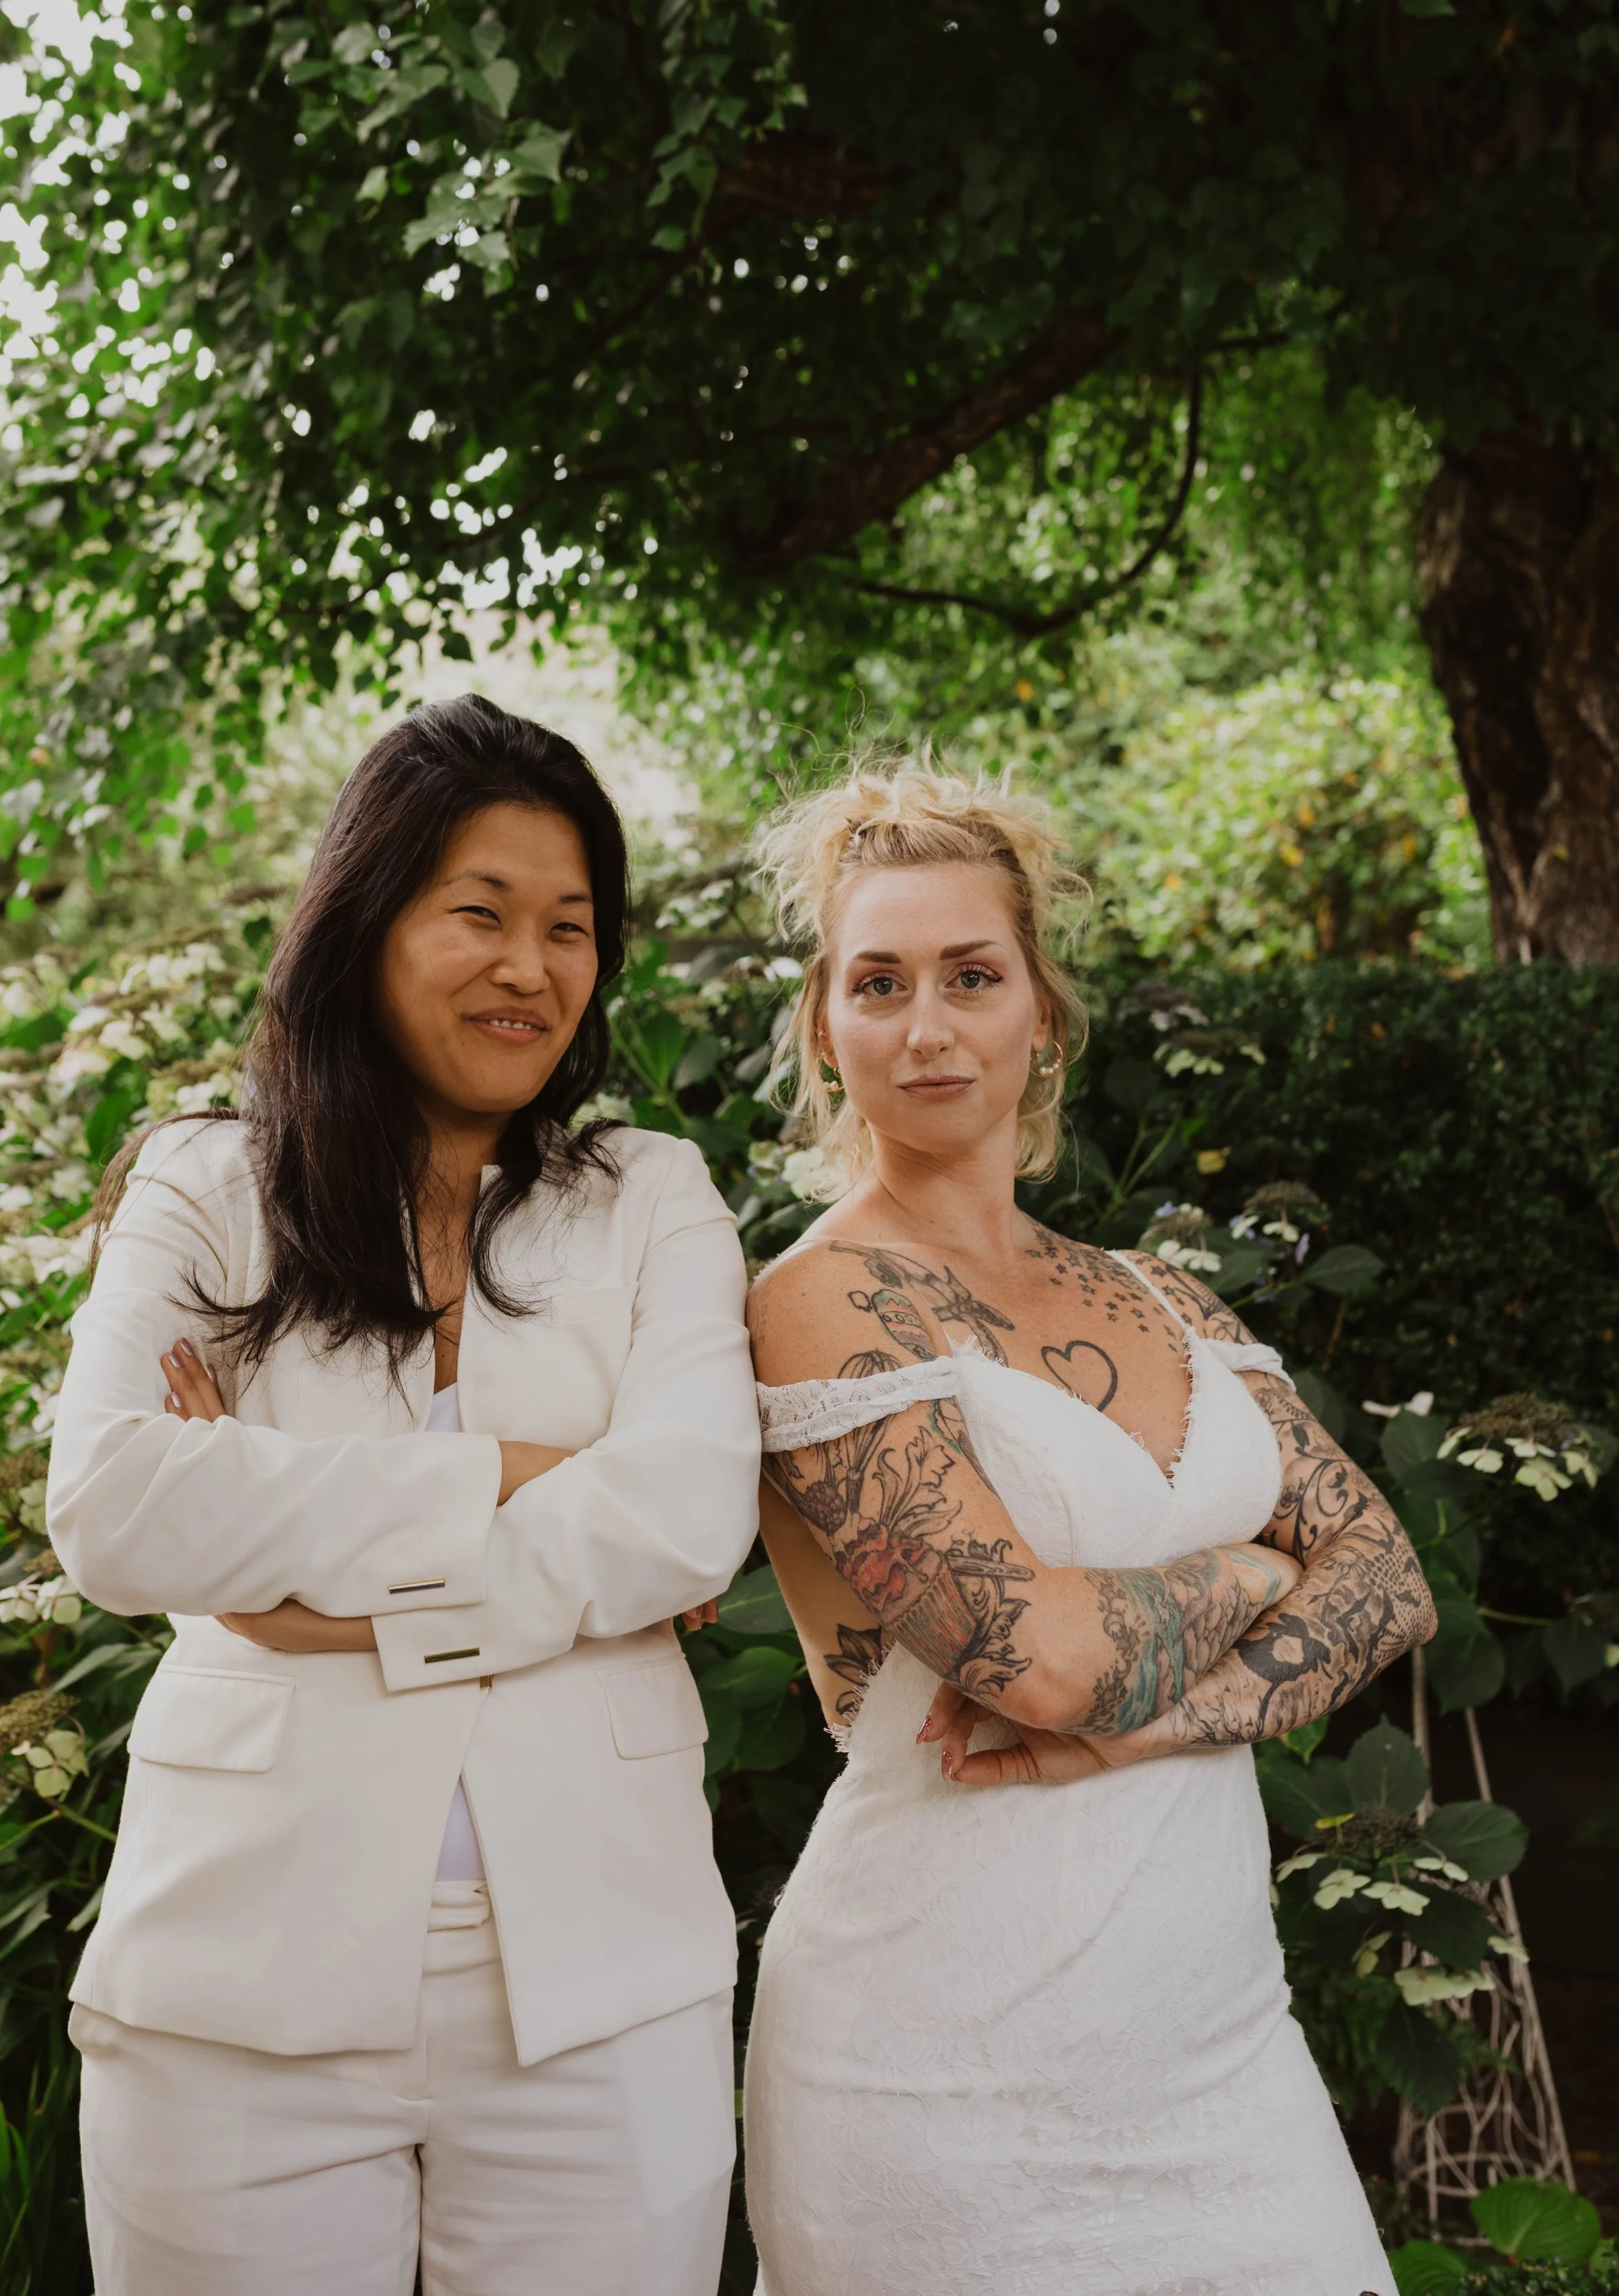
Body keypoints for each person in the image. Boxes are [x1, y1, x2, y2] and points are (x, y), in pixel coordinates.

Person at [47, 696, 760, 2296]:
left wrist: (292, 1579)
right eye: (482, 912)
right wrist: (518, 1479)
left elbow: (685, 1515)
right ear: (368, 924)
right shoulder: (207, 1184)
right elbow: (113, 1504)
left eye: (570, 926)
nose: (532, 964)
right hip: (237, 1975)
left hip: (602, 1974)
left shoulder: (649, 1194)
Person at [741, 760, 1432, 2295]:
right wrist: (1261, 1564)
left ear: (1039, 1011)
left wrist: (1142, 1726)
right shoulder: (818, 1301)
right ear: (823, 1024)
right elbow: (1035, 1661)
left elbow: (1391, 1581)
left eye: (970, 975)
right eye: (878, 981)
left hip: (1218, 2040)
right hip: (931, 2067)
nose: (926, 1025)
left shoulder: (1168, 1295)